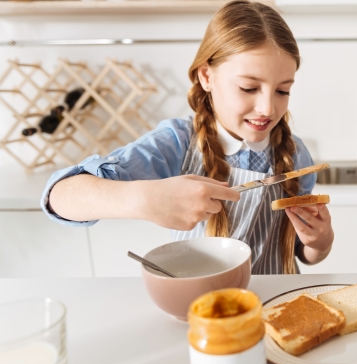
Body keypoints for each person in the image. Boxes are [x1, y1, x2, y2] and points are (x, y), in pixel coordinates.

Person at [42, 0, 333, 275]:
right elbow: (59, 196)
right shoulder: (177, 142)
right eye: (248, 88)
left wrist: (319, 243)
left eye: (283, 91)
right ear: (207, 76)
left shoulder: (295, 154)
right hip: (200, 309)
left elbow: (299, 253)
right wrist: (143, 199)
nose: (269, 108)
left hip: (274, 308)